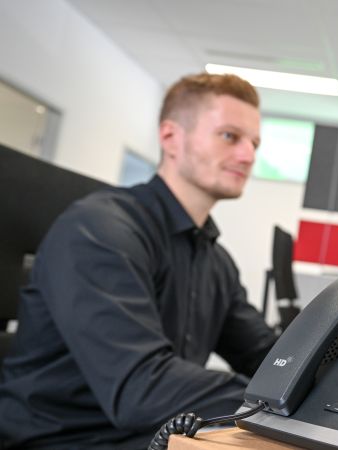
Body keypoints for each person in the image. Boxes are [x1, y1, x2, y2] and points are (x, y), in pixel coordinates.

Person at [0, 73, 278, 449]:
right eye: (230, 136)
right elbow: (141, 388)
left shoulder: (216, 261)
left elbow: (266, 355)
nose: (248, 155)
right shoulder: (100, 230)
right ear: (170, 137)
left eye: (254, 143)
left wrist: (325, 381)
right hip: (61, 439)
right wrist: (277, 400)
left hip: (143, 434)